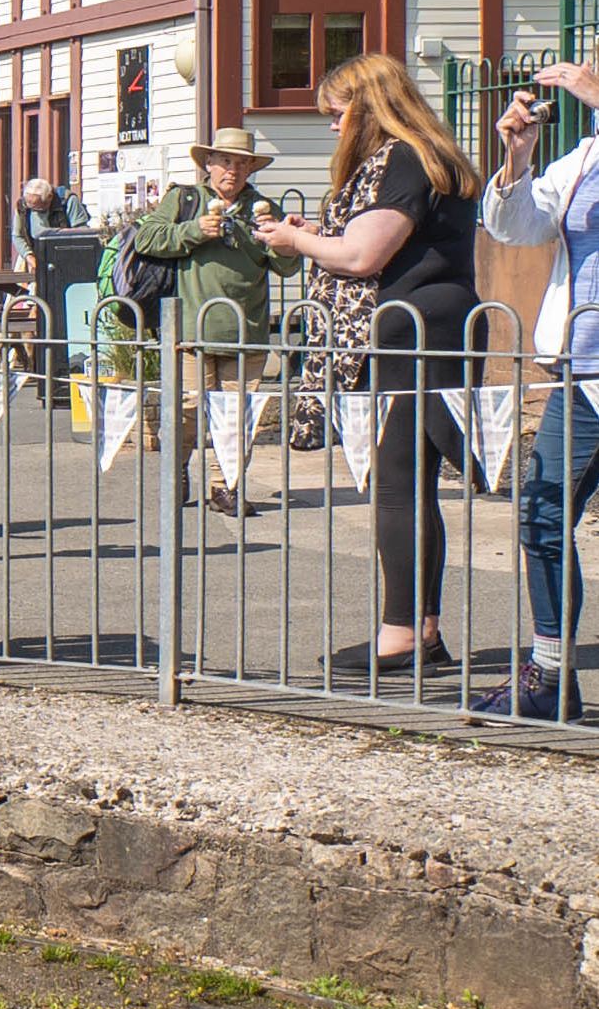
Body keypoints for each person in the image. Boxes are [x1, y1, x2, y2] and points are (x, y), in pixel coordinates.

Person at [260, 54, 480, 681]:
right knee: (410, 483)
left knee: (399, 483)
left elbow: (362, 255)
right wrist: (316, 231)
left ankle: (403, 636)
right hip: (426, 326)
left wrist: (296, 240)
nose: (332, 127)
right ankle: (421, 630)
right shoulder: (424, 154)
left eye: (336, 113)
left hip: (416, 333)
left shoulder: (402, 158)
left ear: (368, 106)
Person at [472, 59, 599, 721]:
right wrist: (516, 160)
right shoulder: (585, 157)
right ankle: (552, 679)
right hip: (584, 374)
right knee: (543, 514)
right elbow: (515, 226)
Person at [126, 128, 303, 520]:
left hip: (247, 331)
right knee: (188, 412)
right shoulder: (185, 199)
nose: (233, 171)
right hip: (191, 331)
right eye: (225, 161)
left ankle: (226, 488)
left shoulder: (263, 208)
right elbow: (147, 240)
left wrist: (284, 238)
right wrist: (193, 231)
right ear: (208, 164)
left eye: (242, 163)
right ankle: (179, 472)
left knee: (238, 418)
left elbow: (287, 268)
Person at [14, 176, 85, 276]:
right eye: (31, 207)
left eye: (38, 209)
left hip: (66, 257)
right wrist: (29, 257)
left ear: (49, 197)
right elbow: (17, 235)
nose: (34, 212)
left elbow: (82, 232)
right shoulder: (22, 205)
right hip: (34, 255)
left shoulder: (68, 200)